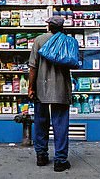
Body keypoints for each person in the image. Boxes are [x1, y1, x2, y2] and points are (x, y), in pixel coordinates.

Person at [28, 15, 72, 172]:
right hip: (61, 89)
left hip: (42, 88)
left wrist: (31, 87)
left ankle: (41, 155)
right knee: (60, 125)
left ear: (49, 26)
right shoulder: (67, 41)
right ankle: (60, 160)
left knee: (41, 122)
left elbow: (33, 67)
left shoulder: (39, 40)